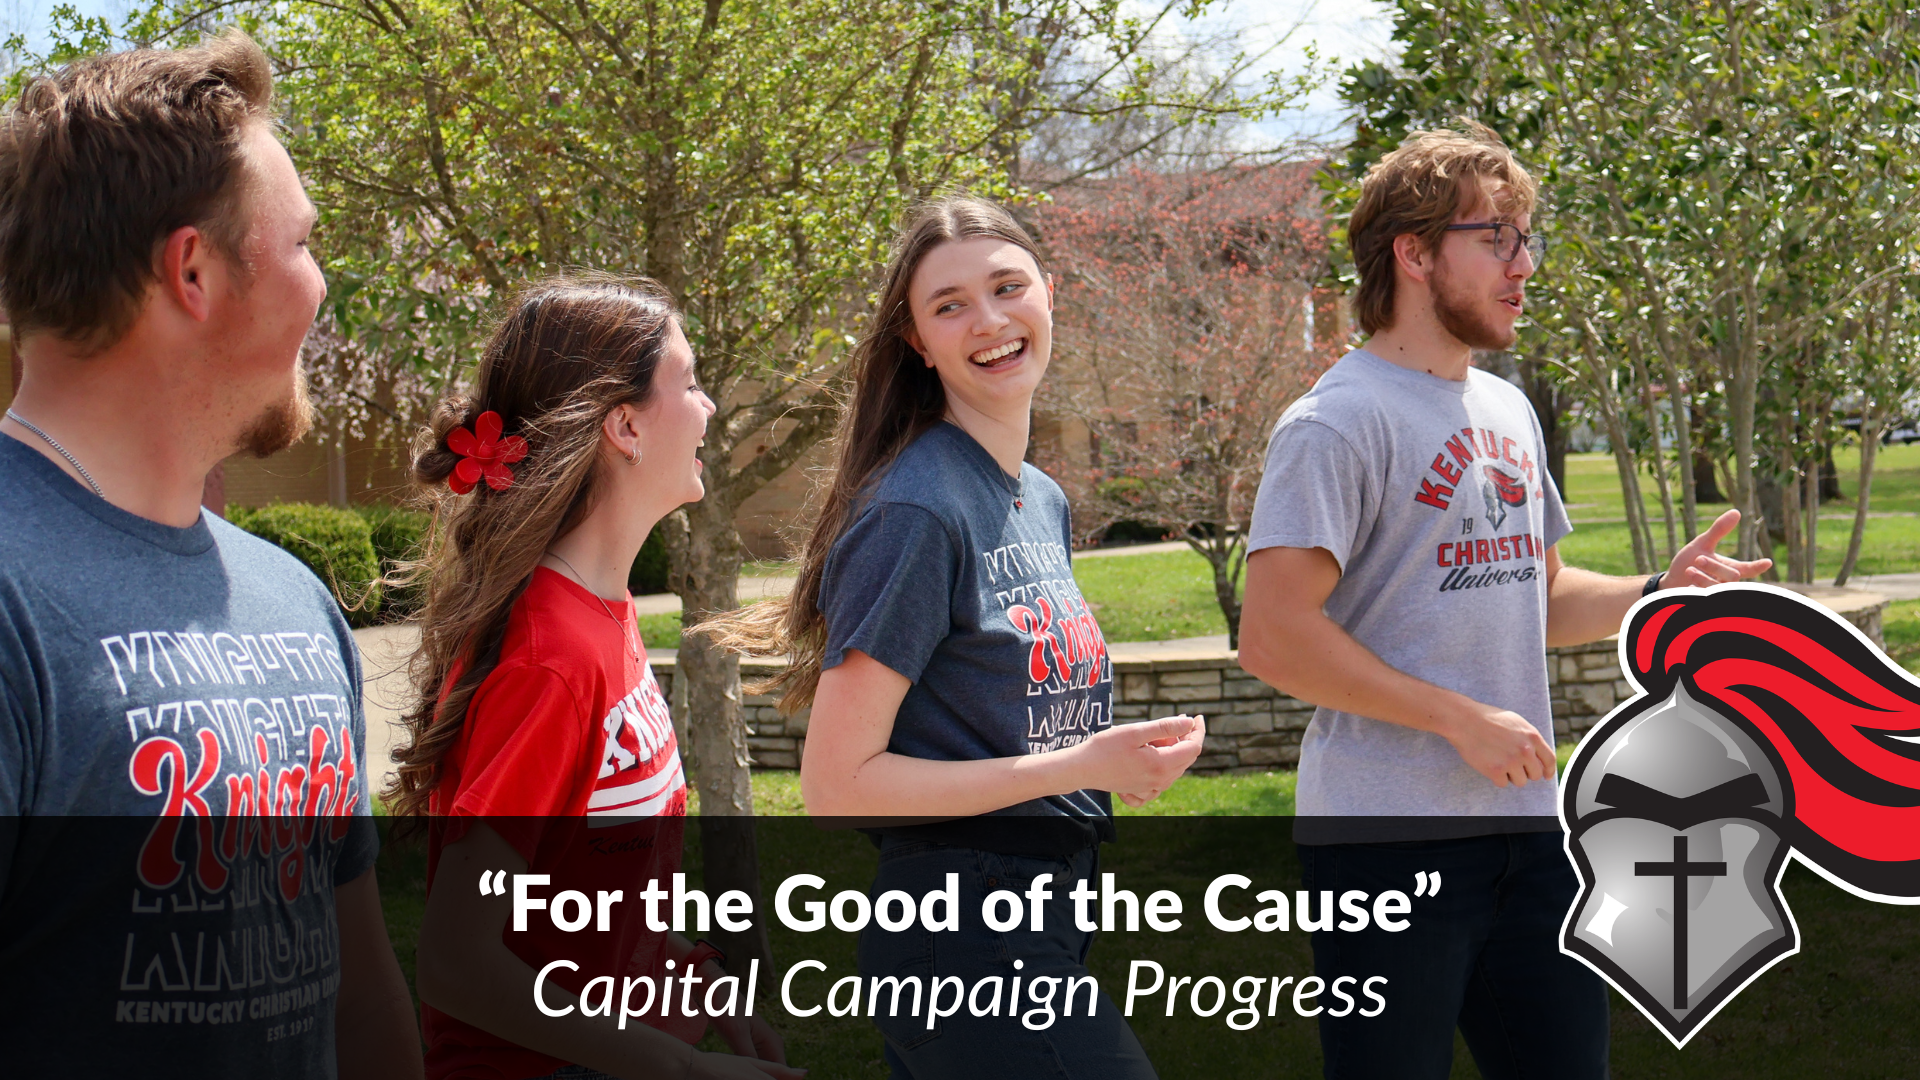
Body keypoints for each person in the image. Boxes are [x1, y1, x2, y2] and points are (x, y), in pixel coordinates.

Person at [1236, 123, 1771, 1080]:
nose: (1524, 265)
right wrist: (1460, 720)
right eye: (1498, 239)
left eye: (1529, 238)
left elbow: (1543, 591)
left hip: (1528, 834)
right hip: (1383, 848)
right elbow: (1274, 639)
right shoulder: (1335, 423)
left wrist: (1656, 591)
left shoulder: (1504, 407)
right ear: (1413, 252)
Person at [700, 195, 1207, 1078]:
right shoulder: (917, 508)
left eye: (1008, 287)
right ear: (916, 340)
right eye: (950, 306)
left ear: (1049, 294)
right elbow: (837, 785)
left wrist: (1109, 758)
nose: (990, 320)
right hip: (965, 931)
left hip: (1047, 911)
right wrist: (1085, 769)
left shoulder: (1036, 495)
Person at [0, 31, 419, 1076]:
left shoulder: (292, 598)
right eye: (304, 247)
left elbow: (359, 1000)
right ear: (193, 269)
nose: (323, 291)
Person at [388, 274, 801, 1080]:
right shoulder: (551, 659)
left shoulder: (602, 616)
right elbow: (457, 960)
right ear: (624, 426)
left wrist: (694, 978)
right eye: (688, 382)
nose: (710, 407)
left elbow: (577, 895)